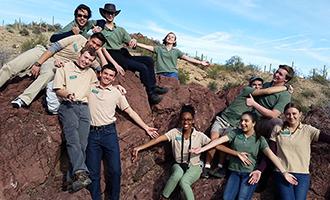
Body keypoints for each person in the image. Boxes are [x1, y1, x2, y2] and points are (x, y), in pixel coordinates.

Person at [86, 63, 159, 200]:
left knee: (115, 170)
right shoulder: (90, 87)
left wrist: (146, 127)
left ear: (114, 78)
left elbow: (129, 111)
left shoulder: (116, 93)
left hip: (109, 133)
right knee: (93, 172)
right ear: (100, 73)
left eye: (111, 75)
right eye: (105, 74)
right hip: (91, 134)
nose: (107, 77)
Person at [190, 111, 298, 200]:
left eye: (246, 121)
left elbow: (271, 155)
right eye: (241, 120)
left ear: (254, 123)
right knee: (227, 198)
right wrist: (201, 149)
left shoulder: (259, 139)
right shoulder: (235, 133)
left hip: (249, 174)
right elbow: (217, 142)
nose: (242, 123)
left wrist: (284, 172)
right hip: (234, 172)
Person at [203, 76, 292, 178]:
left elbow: (270, 106)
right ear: (250, 85)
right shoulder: (247, 91)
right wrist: (286, 87)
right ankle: (207, 166)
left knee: (225, 143)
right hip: (222, 120)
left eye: (259, 85)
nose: (257, 87)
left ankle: (220, 166)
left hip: (234, 125)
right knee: (214, 140)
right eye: (254, 85)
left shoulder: (254, 102)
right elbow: (267, 91)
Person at [0, 32, 105, 108]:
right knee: (11, 66)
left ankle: (23, 99)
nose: (94, 45)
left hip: (54, 63)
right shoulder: (78, 38)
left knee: (49, 74)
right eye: (93, 42)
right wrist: (38, 63)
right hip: (43, 52)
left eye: (98, 45)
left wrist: (101, 53)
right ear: (89, 38)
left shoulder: (90, 57)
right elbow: (55, 47)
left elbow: (103, 69)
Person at [250, 103, 330, 200]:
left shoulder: (308, 130)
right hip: (282, 173)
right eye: (288, 114)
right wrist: (260, 169)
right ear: (284, 115)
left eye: (294, 113)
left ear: (300, 114)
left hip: (303, 175)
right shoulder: (277, 129)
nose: (291, 117)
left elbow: (327, 138)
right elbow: (270, 152)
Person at [132, 105, 211, 200]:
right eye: (183, 119)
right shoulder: (175, 133)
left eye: (189, 119)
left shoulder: (199, 136)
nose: (186, 122)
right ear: (180, 120)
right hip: (178, 164)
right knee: (177, 174)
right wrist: (140, 148)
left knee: (184, 182)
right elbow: (158, 140)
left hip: (194, 166)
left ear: (193, 120)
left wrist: (208, 163)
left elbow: (214, 145)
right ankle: (164, 197)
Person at [97, 3, 167, 104]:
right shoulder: (101, 30)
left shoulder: (120, 29)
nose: (110, 15)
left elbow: (130, 43)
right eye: (108, 13)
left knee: (149, 60)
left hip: (123, 53)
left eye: (112, 13)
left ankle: (153, 86)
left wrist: (133, 41)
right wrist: (115, 65)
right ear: (104, 14)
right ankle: (151, 94)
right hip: (112, 54)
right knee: (142, 67)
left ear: (115, 14)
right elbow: (103, 49)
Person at [53, 46, 98, 192]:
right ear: (79, 54)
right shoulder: (65, 67)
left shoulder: (91, 73)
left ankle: (71, 181)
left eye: (90, 60)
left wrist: (116, 87)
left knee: (82, 144)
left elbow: (97, 88)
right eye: (85, 57)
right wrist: (67, 94)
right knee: (72, 138)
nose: (86, 61)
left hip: (84, 108)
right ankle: (80, 173)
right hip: (68, 105)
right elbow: (58, 88)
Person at [135, 32, 210, 79]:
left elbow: (187, 58)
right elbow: (146, 46)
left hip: (172, 74)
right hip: (159, 74)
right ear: (165, 39)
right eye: (168, 36)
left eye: (172, 37)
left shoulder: (176, 51)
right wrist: (136, 43)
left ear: (174, 41)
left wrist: (200, 62)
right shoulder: (159, 49)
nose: (170, 37)